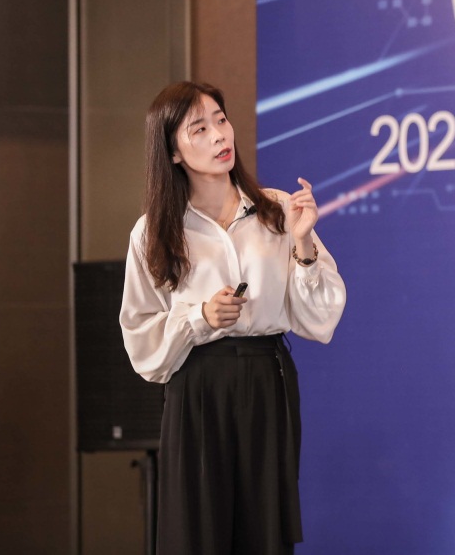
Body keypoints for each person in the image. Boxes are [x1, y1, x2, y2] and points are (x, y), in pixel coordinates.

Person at [120, 81, 346, 554]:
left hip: (267, 379)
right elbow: (142, 342)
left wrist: (303, 242)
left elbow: (319, 319)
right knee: (197, 531)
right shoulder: (153, 232)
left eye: (220, 120)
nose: (219, 135)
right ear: (173, 152)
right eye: (199, 129)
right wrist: (200, 317)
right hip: (198, 385)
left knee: (265, 532)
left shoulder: (277, 209)